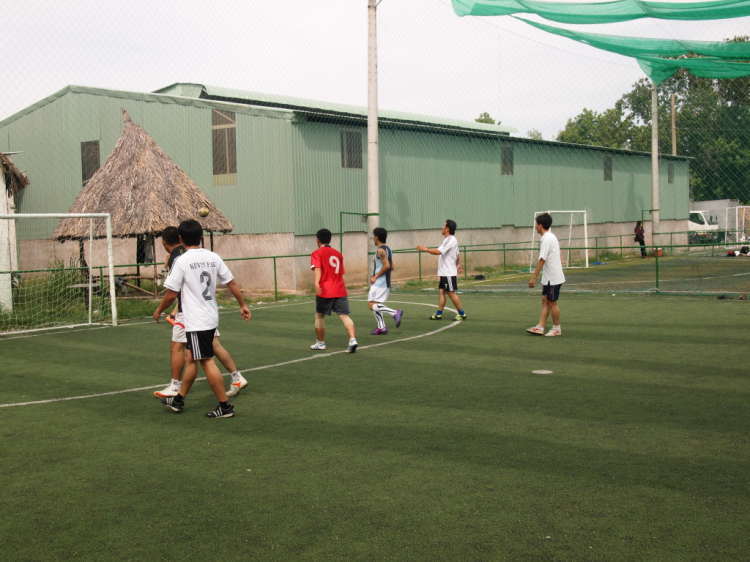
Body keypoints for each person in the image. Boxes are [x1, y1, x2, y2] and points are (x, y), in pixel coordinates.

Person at [153, 220, 251, 418]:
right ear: (201, 237)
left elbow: (172, 294)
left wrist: (158, 310)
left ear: (180, 239)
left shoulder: (182, 261)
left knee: (206, 362)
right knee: (191, 358)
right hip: (209, 316)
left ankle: (225, 406)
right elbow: (231, 282)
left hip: (196, 320)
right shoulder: (213, 256)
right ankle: (179, 399)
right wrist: (242, 305)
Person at [309, 228, 358, 353]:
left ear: (318, 240)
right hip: (340, 288)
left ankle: (321, 343)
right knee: (344, 315)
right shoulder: (338, 254)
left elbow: (318, 268)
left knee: (319, 315)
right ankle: (352, 339)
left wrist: (316, 282)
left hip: (325, 289)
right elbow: (340, 273)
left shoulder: (317, 253)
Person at [416, 219, 466, 321]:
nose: (442, 228)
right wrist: (458, 264)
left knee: (450, 293)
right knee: (442, 292)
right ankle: (439, 314)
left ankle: (462, 313)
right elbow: (457, 254)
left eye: (444, 226)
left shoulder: (450, 240)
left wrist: (425, 249)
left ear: (447, 229)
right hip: (444, 272)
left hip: (448, 273)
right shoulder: (450, 240)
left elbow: (438, 252)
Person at [527, 212, 565, 337]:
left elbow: (541, 259)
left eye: (536, 224)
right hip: (549, 277)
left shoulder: (547, 239)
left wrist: (533, 278)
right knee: (545, 300)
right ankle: (540, 327)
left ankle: (556, 328)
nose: (535, 227)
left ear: (540, 225)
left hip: (553, 278)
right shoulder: (550, 237)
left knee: (552, 302)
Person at [367, 227, 403, 335]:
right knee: (376, 304)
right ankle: (381, 327)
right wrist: (376, 273)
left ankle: (395, 313)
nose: (373, 238)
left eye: (373, 236)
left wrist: (375, 276)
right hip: (384, 282)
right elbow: (391, 266)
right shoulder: (388, 249)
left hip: (380, 283)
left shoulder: (380, 250)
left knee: (371, 305)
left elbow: (387, 265)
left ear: (376, 238)